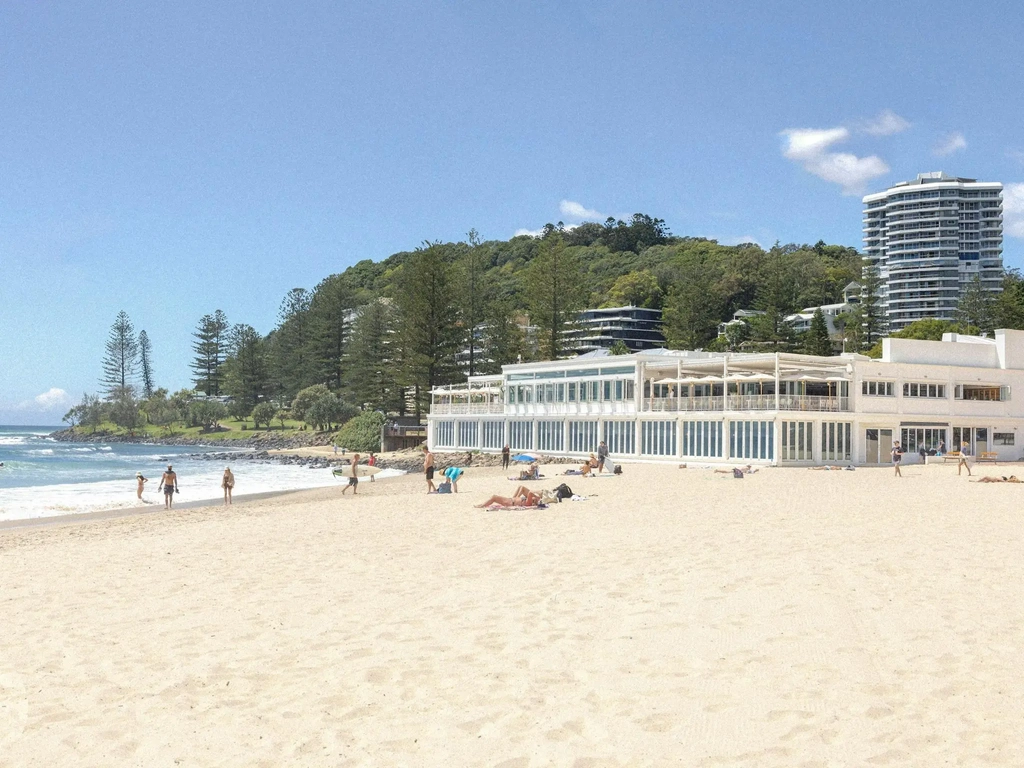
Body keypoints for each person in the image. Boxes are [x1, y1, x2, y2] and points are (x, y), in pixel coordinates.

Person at [474, 485, 542, 509]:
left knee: (494, 497)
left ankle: (481, 506)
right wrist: (537, 497)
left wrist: (537, 493)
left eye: (534, 498)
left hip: (510, 502)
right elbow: (529, 493)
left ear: (534, 501)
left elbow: (530, 492)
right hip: (511, 500)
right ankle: (481, 505)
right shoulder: (529, 501)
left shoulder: (529, 502)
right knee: (494, 498)